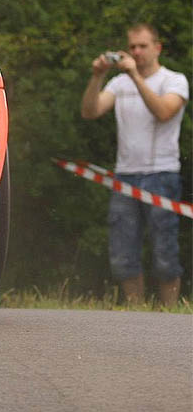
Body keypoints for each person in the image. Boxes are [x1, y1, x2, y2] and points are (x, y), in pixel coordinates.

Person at [81, 23, 189, 306]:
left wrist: (134, 76)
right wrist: (97, 76)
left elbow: (164, 112)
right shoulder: (119, 83)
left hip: (161, 174)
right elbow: (90, 111)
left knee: (165, 252)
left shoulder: (173, 80)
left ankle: (169, 313)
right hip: (125, 176)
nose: (137, 52)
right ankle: (135, 313)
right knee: (123, 253)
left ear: (157, 48)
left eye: (143, 46)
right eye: (132, 47)